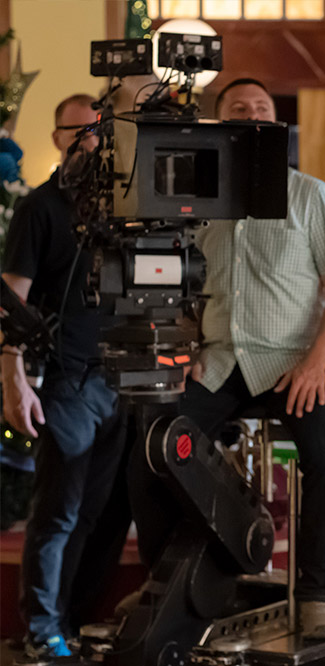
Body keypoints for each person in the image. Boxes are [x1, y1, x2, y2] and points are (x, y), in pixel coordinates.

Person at [128, 78, 325, 640]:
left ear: (276, 124)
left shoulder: (311, 195)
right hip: (220, 361)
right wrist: (185, 347)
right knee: (151, 450)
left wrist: (316, 361)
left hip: (295, 360)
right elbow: (184, 288)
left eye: (261, 107)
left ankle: (321, 595)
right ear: (220, 124)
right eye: (238, 108)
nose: (252, 114)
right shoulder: (197, 204)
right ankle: (168, 582)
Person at [2, 94, 129, 658]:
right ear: (57, 137)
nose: (89, 143)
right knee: (59, 513)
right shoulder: (39, 209)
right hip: (63, 379)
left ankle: (69, 622)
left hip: (118, 380)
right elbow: (12, 302)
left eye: (97, 132)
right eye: (77, 133)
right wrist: (14, 380)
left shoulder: (125, 207)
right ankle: (41, 629)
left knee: (94, 514)